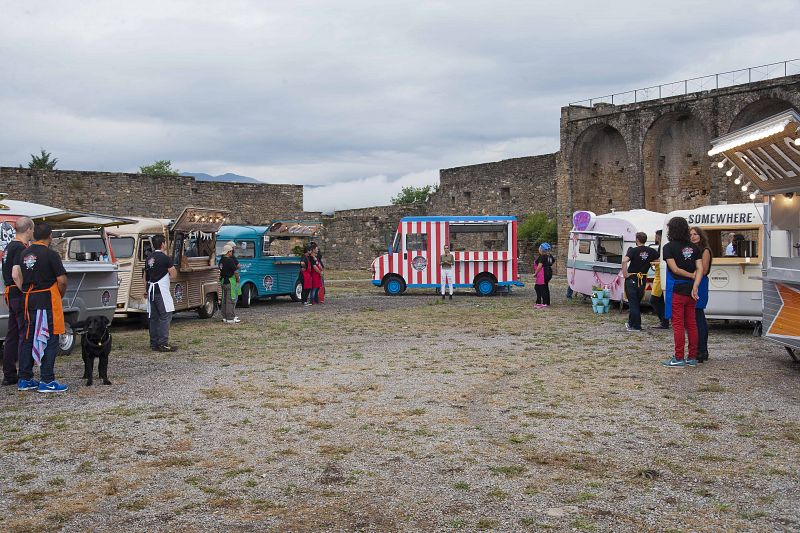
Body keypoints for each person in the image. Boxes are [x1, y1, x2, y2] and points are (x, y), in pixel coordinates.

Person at [16, 222, 69, 392]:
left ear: (34, 235)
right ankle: (47, 380)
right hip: (46, 299)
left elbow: (17, 273)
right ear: (50, 236)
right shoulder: (50, 254)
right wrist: (59, 294)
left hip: (28, 299)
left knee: (28, 338)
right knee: (50, 338)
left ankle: (24, 378)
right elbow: (61, 280)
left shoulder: (24, 253)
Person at [662, 217, 703, 368]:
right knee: (691, 324)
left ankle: (679, 357)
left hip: (677, 290)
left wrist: (690, 275)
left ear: (671, 229)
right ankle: (692, 357)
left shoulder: (668, 247)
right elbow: (700, 269)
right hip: (691, 290)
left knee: (678, 324)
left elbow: (675, 269)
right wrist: (695, 284)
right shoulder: (695, 248)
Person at [2, 217, 34, 386]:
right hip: (17, 293)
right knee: (24, 333)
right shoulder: (21, 248)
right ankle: (24, 373)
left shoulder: (8, 247)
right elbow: (16, 273)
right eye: (32, 230)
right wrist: (24, 290)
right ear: (28, 229)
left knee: (12, 335)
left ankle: (9, 374)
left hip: (9, 292)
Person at [620, 232, 659, 332]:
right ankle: (631, 323)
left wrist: (625, 274)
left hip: (632, 277)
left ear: (637, 239)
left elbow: (624, 261)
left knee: (633, 303)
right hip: (643, 279)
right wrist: (650, 263)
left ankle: (636, 326)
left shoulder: (633, 250)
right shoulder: (651, 251)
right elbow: (659, 260)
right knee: (636, 302)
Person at [145, 234, 177, 352]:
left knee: (153, 318)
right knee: (165, 316)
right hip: (161, 290)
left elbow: (146, 276)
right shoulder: (165, 258)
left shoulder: (148, 258)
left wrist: (145, 289)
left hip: (151, 290)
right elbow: (173, 274)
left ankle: (154, 343)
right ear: (163, 244)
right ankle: (163, 343)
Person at [690, 226, 713, 363]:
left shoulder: (705, 251)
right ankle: (700, 349)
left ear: (701, 236)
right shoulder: (693, 250)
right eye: (691, 234)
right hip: (694, 281)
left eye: (695, 234)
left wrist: (691, 275)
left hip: (700, 283)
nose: (693, 236)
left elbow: (703, 270)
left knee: (698, 317)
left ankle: (702, 349)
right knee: (697, 317)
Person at [649, 230, 670, 330]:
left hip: (660, 275)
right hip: (659, 274)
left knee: (654, 300)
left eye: (656, 236)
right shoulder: (662, 246)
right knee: (661, 299)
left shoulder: (663, 246)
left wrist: (654, 261)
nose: (655, 238)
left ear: (659, 236)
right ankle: (664, 320)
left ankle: (664, 320)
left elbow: (662, 259)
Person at [219, 243, 240, 324]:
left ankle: (224, 317)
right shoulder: (230, 260)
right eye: (231, 251)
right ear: (228, 252)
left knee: (224, 300)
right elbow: (236, 271)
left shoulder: (221, 260)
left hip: (223, 281)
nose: (232, 253)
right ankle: (230, 318)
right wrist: (237, 280)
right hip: (230, 282)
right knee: (231, 300)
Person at [533, 243, 555, 308]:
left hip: (543, 273)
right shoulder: (549, 256)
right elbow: (553, 261)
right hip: (548, 272)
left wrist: (535, 273)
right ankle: (546, 302)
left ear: (541, 249)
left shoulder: (542, 256)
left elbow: (540, 266)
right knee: (545, 287)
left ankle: (543, 303)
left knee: (539, 287)